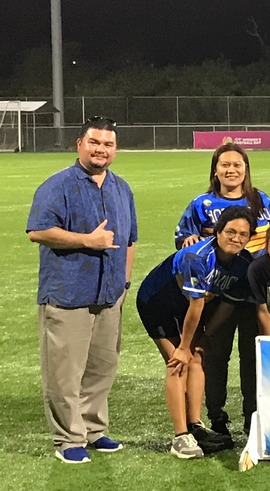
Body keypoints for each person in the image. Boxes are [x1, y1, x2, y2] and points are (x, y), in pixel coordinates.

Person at [27, 117, 137, 464]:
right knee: (64, 372)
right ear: (79, 144)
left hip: (109, 294)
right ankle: (68, 439)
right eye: (95, 143)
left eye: (108, 144)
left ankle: (93, 430)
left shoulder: (121, 188)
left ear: (115, 149)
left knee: (101, 368)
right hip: (68, 293)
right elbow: (38, 230)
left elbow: (129, 239)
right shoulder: (57, 185)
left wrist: (124, 283)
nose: (101, 149)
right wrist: (86, 241)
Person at [174, 142, 270, 439]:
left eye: (237, 165)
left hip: (253, 292)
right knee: (214, 353)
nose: (231, 170)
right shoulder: (201, 203)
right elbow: (183, 239)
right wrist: (188, 238)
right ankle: (216, 416)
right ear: (216, 170)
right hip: (216, 295)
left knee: (251, 355)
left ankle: (252, 416)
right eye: (225, 165)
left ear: (245, 170)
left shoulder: (261, 201)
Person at [136, 206, 256, 459]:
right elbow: (196, 305)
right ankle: (180, 437)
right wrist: (182, 347)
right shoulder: (197, 257)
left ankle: (195, 426)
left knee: (198, 358)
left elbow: (228, 303)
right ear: (217, 232)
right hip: (158, 303)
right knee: (178, 362)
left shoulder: (244, 263)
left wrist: (205, 337)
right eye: (230, 232)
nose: (236, 238)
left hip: (189, 308)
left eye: (243, 234)